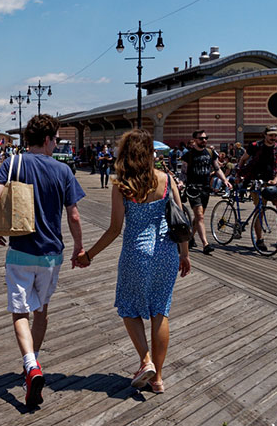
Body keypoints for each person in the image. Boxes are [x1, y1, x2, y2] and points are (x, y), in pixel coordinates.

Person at [77, 129, 191, 395]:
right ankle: (158, 379)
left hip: (136, 254)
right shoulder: (166, 179)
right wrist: (184, 254)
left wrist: (89, 255)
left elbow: (115, 229)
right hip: (166, 252)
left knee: (129, 308)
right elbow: (181, 220)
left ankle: (145, 360)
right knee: (160, 312)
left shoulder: (121, 185)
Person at [0, 114, 86, 409]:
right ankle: (34, 364)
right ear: (47, 140)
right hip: (50, 254)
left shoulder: (12, 163)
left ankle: (30, 366)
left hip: (20, 250)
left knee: (19, 314)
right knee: (40, 311)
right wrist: (79, 247)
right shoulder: (63, 171)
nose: (56, 145)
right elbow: (75, 215)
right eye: (55, 140)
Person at [237, 126, 277, 253]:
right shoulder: (255, 146)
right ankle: (259, 240)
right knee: (259, 211)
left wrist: (276, 180)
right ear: (265, 135)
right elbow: (243, 159)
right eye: (271, 135)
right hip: (258, 182)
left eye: (276, 135)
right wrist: (239, 174)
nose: (273, 138)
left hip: (275, 183)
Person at [181, 130, 231, 255]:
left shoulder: (210, 153)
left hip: (205, 189)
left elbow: (217, 168)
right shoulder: (188, 155)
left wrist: (225, 180)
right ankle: (205, 244)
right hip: (193, 189)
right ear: (195, 140)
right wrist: (181, 183)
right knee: (200, 216)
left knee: (199, 216)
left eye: (205, 138)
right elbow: (183, 172)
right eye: (201, 138)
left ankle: (190, 237)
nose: (204, 140)